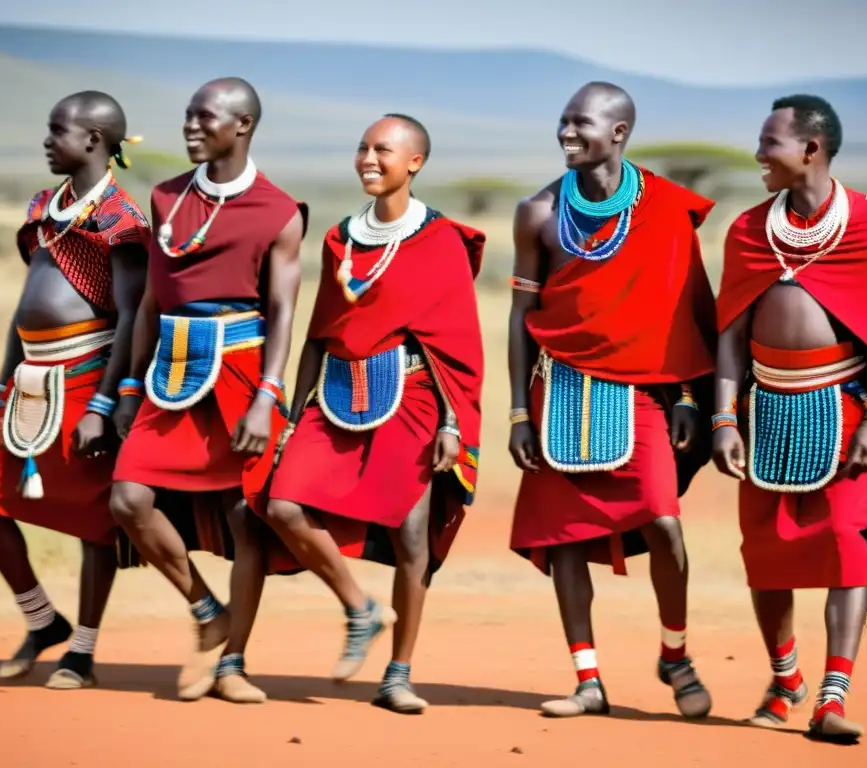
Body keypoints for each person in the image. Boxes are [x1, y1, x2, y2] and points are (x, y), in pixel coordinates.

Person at [713, 94, 867, 742]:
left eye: (769, 142)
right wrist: (723, 418)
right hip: (764, 410)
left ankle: (832, 694)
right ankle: (785, 674)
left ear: (810, 149)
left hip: (846, 410)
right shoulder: (747, 230)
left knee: (847, 547)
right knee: (763, 555)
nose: (758, 154)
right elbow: (730, 335)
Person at [507, 82, 718, 719]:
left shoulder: (665, 208)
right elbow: (520, 314)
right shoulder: (538, 213)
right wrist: (519, 410)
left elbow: (683, 308)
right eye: (562, 122)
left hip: (643, 394)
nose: (566, 134)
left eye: (581, 124)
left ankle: (675, 655)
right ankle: (588, 680)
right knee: (565, 537)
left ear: (619, 133)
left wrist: (686, 392)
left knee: (663, 521)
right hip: (561, 389)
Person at [261, 114, 484, 715]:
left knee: (413, 539)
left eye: (382, 149)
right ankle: (360, 608)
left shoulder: (442, 242)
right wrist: (289, 416)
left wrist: (452, 424)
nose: (367, 158)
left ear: (414, 162)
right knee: (282, 504)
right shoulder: (340, 238)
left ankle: (399, 675)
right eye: (361, 147)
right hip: (335, 391)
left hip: (411, 397)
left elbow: (457, 343)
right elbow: (318, 333)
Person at [109, 77, 307, 704]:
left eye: (205, 117)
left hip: (243, 374)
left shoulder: (279, 210)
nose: (190, 126)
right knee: (128, 499)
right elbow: (147, 303)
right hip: (168, 374)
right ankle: (205, 610)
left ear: (244, 124)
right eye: (187, 116)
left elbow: (283, 311)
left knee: (245, 519)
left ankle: (233, 664)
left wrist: (268, 394)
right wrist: (131, 385)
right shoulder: (166, 197)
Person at [0, 91, 149, 689]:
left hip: (88, 378)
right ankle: (43, 620)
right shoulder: (46, 206)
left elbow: (131, 315)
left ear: (93, 140)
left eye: (57, 131)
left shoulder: (122, 221)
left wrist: (106, 403)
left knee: (96, 521)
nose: (47, 141)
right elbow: (26, 304)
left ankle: (83, 653)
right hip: (31, 379)